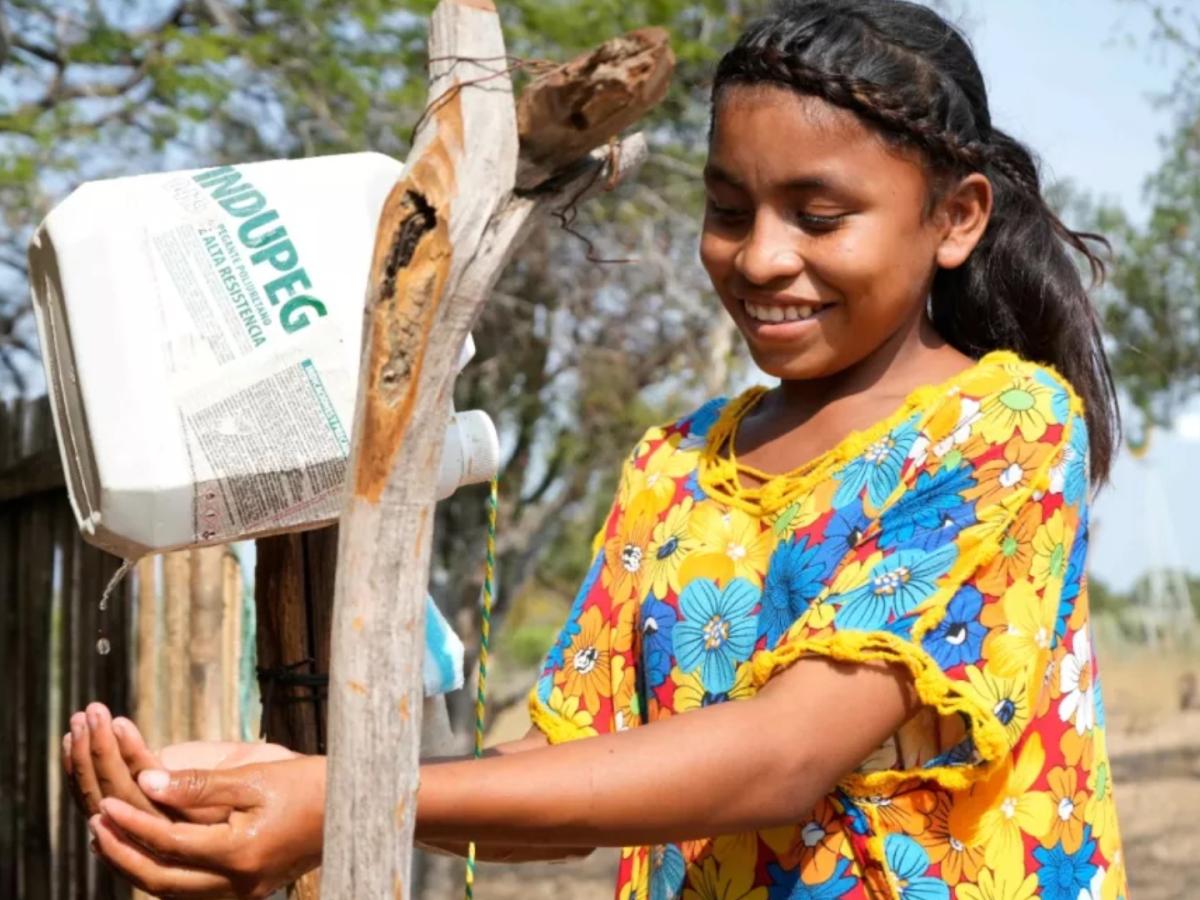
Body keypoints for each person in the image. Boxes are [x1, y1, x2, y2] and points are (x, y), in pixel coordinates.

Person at [62, 0, 1128, 896]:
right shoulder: (676, 464)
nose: (761, 257)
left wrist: (341, 798)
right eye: (729, 208)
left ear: (956, 219)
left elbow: (782, 757)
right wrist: (271, 782)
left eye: (818, 216)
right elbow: (566, 780)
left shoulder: (1001, 427)